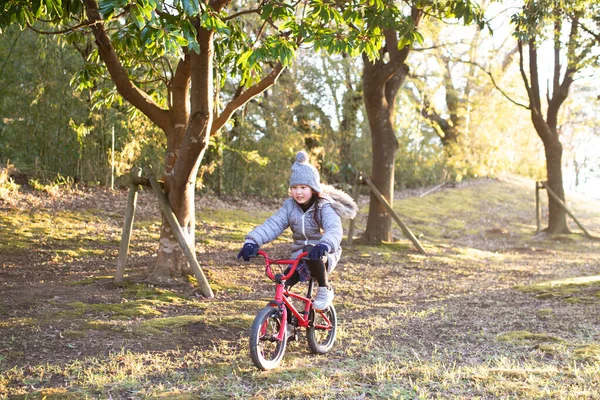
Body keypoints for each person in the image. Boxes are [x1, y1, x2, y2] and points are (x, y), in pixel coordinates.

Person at [238, 150, 358, 311]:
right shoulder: (290, 207)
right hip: (299, 257)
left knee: (311, 250)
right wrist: (252, 241)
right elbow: (273, 224)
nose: (298, 192)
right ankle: (284, 325)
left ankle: (325, 288)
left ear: (313, 188)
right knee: (282, 287)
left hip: (323, 254)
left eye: (303, 187)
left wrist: (326, 244)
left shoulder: (323, 206)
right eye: (294, 187)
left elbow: (334, 229)